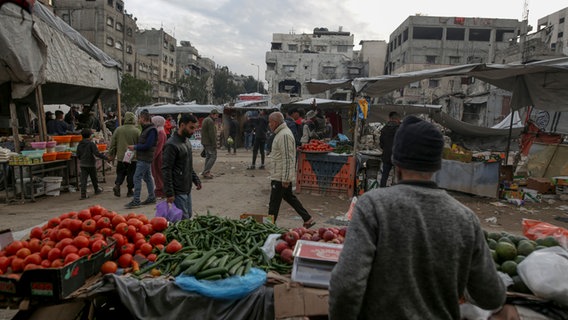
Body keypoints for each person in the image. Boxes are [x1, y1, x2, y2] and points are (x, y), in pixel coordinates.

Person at [328, 115, 506, 319]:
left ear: (397, 160)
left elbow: (346, 284)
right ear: (437, 164)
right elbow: (492, 296)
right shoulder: (465, 219)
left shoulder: (374, 206)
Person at [267, 112, 315, 228]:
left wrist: (286, 178)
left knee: (273, 204)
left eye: (270, 122)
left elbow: (288, 158)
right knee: (289, 197)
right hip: (280, 173)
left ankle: (268, 227)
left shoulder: (284, 135)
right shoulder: (281, 133)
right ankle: (307, 218)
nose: (269, 125)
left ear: (275, 122)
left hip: (280, 176)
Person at [162, 114, 202, 219]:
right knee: (182, 221)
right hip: (177, 190)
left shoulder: (187, 142)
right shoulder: (171, 145)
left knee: (188, 215)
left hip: (186, 188)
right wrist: (169, 193)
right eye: (191, 128)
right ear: (182, 125)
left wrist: (195, 179)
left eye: (195, 128)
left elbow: (188, 165)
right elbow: (166, 170)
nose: (193, 131)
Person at [125, 109, 157, 209]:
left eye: (139, 118)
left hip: (145, 157)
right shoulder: (146, 129)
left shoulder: (151, 130)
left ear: (143, 118)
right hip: (143, 157)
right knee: (147, 177)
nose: (138, 120)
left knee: (137, 177)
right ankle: (152, 197)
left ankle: (136, 200)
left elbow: (148, 145)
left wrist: (135, 147)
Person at [108, 112, 140, 198]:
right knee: (131, 173)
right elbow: (140, 144)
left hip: (121, 156)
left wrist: (111, 154)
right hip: (133, 157)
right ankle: (130, 190)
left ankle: (117, 185)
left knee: (120, 172)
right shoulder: (136, 131)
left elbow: (113, 143)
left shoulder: (118, 129)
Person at [76, 128, 109, 200]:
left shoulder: (79, 144)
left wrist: (81, 159)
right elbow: (96, 153)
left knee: (83, 180)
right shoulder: (91, 143)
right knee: (94, 177)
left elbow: (78, 154)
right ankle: (96, 189)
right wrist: (106, 158)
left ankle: (83, 194)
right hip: (90, 163)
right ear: (90, 136)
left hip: (83, 164)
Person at [378, 111, 401, 187]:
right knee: (398, 176)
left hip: (386, 156)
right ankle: (396, 190)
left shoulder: (384, 129)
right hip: (397, 156)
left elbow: (381, 144)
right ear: (397, 119)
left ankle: (382, 190)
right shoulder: (400, 129)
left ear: (390, 119)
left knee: (384, 175)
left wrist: (386, 148)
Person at [151, 116, 168, 199]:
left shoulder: (160, 132)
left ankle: (161, 191)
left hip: (159, 157)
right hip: (159, 156)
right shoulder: (160, 131)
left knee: (158, 174)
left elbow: (159, 146)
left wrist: (153, 157)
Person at [200, 109, 219, 179]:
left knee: (208, 157)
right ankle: (206, 171)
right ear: (212, 114)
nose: (217, 117)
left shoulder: (206, 119)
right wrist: (214, 144)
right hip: (209, 142)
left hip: (205, 142)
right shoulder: (210, 121)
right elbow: (212, 134)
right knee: (213, 157)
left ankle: (206, 172)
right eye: (216, 115)